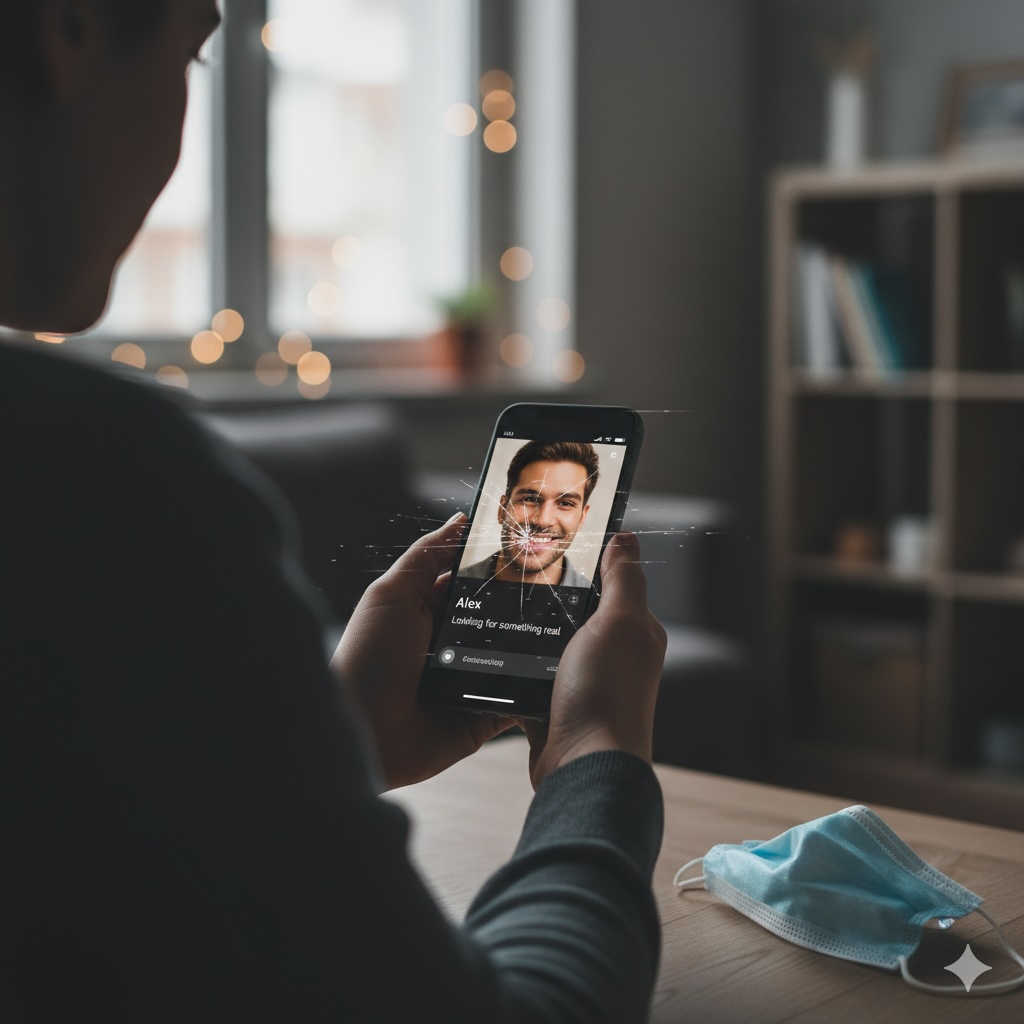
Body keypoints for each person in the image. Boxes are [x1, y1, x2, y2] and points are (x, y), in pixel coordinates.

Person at [0, 3, 667, 1021]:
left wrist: (341, 733)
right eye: (194, 53)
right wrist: (596, 755)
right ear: (70, 29)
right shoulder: (95, 477)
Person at [460, 440, 598, 589]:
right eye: (530, 499)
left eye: (565, 503)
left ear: (582, 518)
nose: (543, 520)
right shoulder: (450, 587)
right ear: (502, 509)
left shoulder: (599, 606)